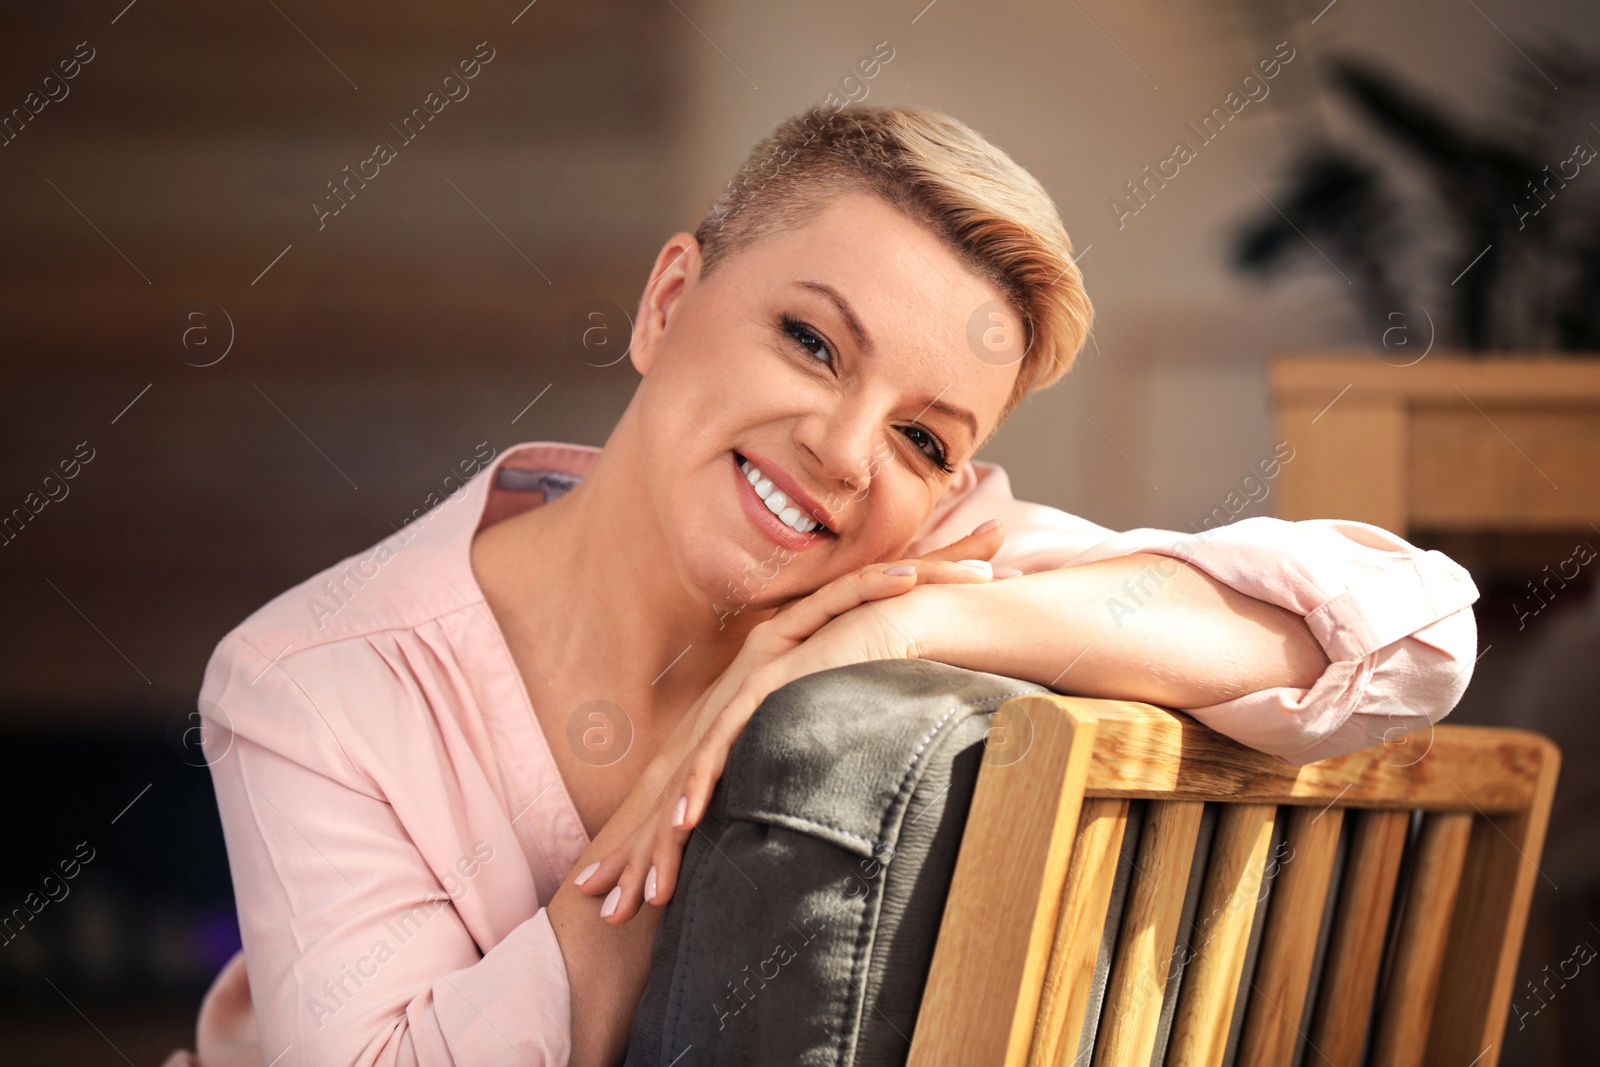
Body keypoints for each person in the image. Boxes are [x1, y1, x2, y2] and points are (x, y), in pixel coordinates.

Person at [161, 105, 1479, 1067]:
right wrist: (701, 790)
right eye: (810, 342)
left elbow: (1417, 632)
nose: (847, 456)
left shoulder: (906, 563)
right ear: (668, 301)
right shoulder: (313, 683)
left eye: (924, 437)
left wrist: (918, 617)